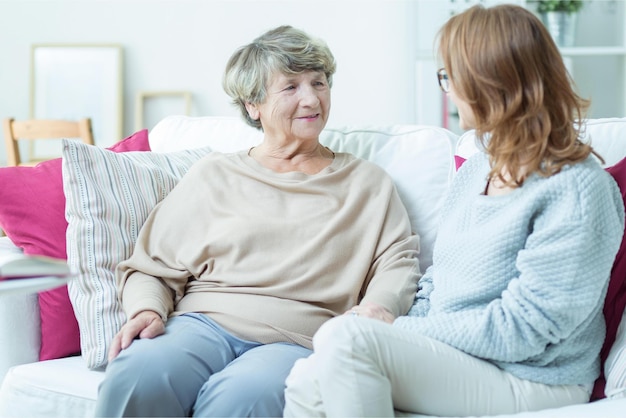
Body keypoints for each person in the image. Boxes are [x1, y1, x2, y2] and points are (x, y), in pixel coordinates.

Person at [283, 5, 626, 417]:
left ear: (493, 81)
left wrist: (398, 328)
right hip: (457, 355)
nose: (447, 89)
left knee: (349, 340)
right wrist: (401, 323)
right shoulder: (480, 165)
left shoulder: (578, 188)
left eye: (450, 76)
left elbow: (525, 329)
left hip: (534, 376)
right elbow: (438, 282)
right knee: (306, 377)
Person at [93, 25, 420, 417]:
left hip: (297, 339)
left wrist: (379, 307)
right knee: (136, 375)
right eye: (291, 87)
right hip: (200, 324)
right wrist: (147, 310)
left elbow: (396, 262)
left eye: (319, 83)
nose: (311, 98)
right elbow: (152, 266)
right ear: (253, 105)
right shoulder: (214, 174)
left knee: (242, 398)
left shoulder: (366, 183)